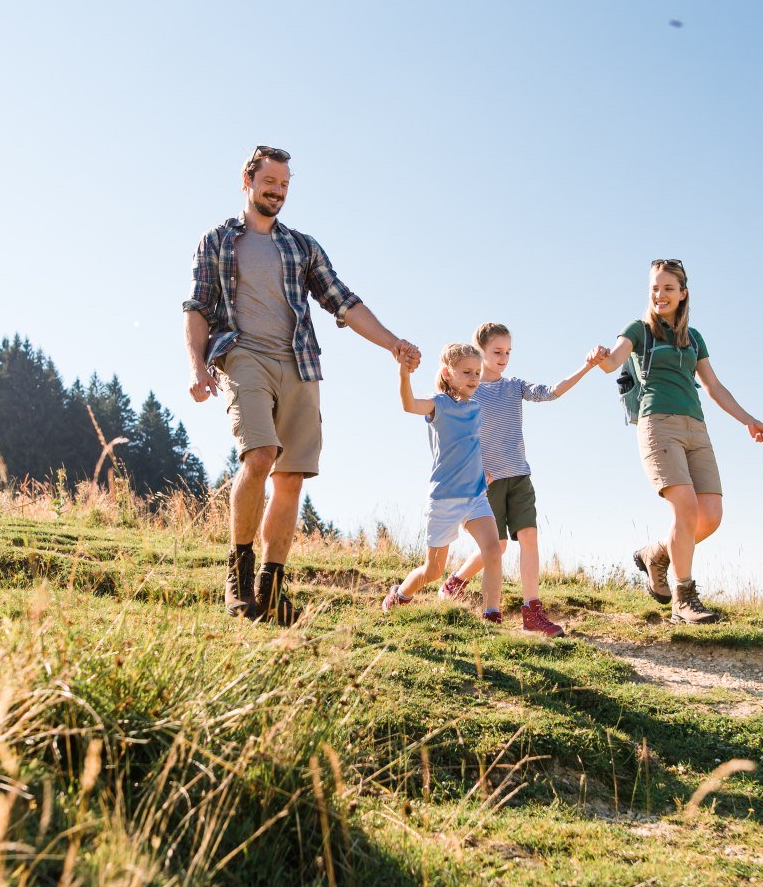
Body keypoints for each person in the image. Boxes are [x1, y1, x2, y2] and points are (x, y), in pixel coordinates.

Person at [183, 145, 419, 624]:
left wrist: (392, 342)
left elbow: (343, 303)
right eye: (270, 182)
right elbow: (196, 307)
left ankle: (270, 591)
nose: (278, 192)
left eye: (285, 186)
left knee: (290, 477)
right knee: (259, 455)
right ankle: (239, 576)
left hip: (299, 364)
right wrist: (197, 367)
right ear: (247, 181)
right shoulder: (217, 240)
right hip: (242, 355)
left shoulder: (301, 246)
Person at [590, 259, 763, 624]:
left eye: (668, 288)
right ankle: (683, 600)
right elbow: (615, 360)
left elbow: (713, 386)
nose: (660, 294)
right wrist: (602, 359)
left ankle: (656, 554)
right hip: (658, 424)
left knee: (711, 515)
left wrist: (748, 420)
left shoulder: (694, 337)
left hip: (696, 427)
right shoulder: (639, 329)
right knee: (685, 509)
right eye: (655, 288)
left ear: (683, 293)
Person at [439, 322, 603, 637]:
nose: (503, 358)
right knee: (497, 547)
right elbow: (457, 438)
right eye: (497, 352)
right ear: (480, 352)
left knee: (529, 537)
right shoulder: (468, 392)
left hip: (520, 477)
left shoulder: (513, 386)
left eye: (508, 352)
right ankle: (456, 583)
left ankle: (532, 611)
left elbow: (551, 392)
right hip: (487, 484)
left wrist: (587, 366)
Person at [381, 343, 514, 627]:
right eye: (466, 372)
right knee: (433, 571)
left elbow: (474, 445)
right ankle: (401, 594)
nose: (474, 378)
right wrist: (404, 375)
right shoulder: (438, 404)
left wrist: (485, 469)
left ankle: (492, 615)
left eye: (477, 372)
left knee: (493, 550)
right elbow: (409, 405)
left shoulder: (476, 408)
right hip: (445, 500)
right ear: (448, 372)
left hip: (476, 496)